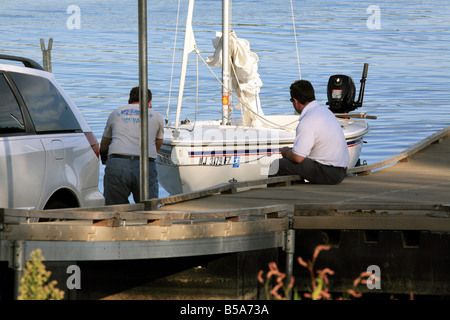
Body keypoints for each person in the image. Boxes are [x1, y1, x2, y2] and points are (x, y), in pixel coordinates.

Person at [268, 79, 349, 184]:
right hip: (340, 171)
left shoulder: (308, 120)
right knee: (294, 165)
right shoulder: (325, 111)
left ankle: (273, 198)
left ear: (295, 101)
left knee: (277, 165)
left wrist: (286, 152)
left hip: (328, 173)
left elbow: (298, 158)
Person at [100, 87, 164, 205]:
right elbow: (157, 145)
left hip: (118, 163)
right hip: (145, 165)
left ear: (129, 100)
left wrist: (105, 160)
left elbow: (104, 144)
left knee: (115, 210)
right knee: (149, 209)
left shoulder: (116, 113)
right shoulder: (156, 117)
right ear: (149, 103)